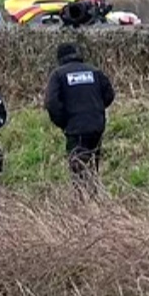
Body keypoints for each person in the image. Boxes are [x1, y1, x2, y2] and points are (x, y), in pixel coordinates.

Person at [45, 42, 115, 197]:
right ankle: (94, 197)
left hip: (75, 130)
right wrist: (96, 110)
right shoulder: (94, 71)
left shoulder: (58, 75)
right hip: (96, 127)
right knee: (92, 165)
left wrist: (63, 122)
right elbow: (109, 94)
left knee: (78, 170)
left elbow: (51, 103)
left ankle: (82, 203)